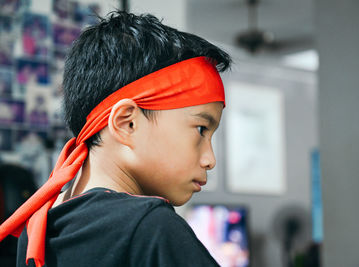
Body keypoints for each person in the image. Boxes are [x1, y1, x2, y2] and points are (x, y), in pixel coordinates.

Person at [0, 11, 231, 267]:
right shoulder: (152, 228)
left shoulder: (37, 230)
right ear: (127, 123)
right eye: (201, 129)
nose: (210, 160)